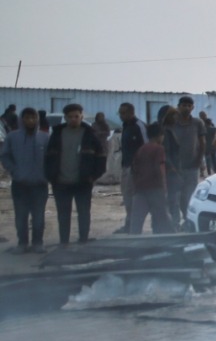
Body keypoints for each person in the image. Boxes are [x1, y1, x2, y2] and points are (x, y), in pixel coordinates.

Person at [45, 103, 107, 244]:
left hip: (83, 182)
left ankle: (83, 239)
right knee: (63, 215)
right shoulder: (57, 134)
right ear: (65, 118)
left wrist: (92, 176)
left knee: (84, 213)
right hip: (61, 182)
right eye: (70, 117)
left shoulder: (90, 135)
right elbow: (48, 157)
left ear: (81, 117)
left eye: (76, 116)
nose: (73, 119)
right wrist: (51, 176)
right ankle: (64, 242)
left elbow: (101, 157)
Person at [1, 107, 50, 252]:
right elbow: (5, 155)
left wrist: (46, 174)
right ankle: (22, 243)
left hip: (40, 184)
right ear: (21, 119)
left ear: (37, 119)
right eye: (27, 117)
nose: (30, 120)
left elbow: (52, 158)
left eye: (33, 117)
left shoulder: (45, 137)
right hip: (20, 184)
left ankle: (37, 243)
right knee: (21, 217)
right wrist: (15, 171)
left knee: (38, 216)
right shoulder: (12, 137)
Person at [163, 96, 206, 227]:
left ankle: (188, 223)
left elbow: (202, 143)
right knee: (174, 198)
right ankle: (174, 224)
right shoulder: (171, 124)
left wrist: (199, 160)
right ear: (178, 106)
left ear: (193, 107)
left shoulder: (197, 123)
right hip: (174, 168)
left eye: (189, 105)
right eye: (184, 105)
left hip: (192, 166)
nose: (186, 108)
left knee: (189, 198)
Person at [127, 124, 173, 234]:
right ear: (160, 136)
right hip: (155, 188)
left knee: (136, 221)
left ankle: (133, 243)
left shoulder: (141, 149)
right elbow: (159, 167)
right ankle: (165, 239)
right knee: (162, 217)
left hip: (140, 188)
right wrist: (164, 187)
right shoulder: (159, 149)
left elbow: (134, 169)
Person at [116, 102, 148, 233]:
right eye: (120, 113)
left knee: (134, 199)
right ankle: (128, 225)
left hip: (136, 169)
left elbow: (146, 146)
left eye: (123, 113)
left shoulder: (138, 126)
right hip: (126, 166)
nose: (121, 116)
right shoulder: (126, 126)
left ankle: (133, 227)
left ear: (131, 112)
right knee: (127, 198)